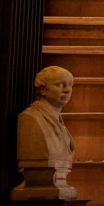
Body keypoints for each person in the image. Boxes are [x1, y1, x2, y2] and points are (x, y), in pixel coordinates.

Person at [14, 65, 77, 199]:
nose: (67, 90)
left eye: (70, 85)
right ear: (43, 89)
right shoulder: (30, 118)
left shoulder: (59, 121)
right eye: (60, 85)